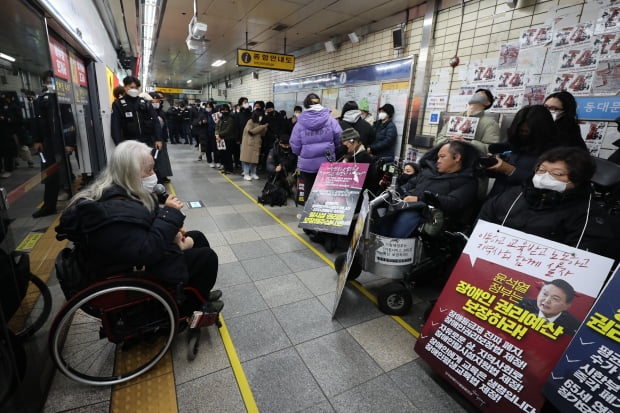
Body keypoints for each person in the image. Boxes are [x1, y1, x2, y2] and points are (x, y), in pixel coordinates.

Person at [55, 140, 223, 312]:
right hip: (133, 271)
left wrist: (172, 229)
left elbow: (140, 222)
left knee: (198, 237)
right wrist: (169, 216)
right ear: (130, 174)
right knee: (207, 258)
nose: (153, 174)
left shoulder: (117, 191)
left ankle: (198, 293)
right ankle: (189, 307)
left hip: (129, 257)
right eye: (148, 170)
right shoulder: (112, 214)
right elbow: (146, 252)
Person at [479, 147, 600, 250]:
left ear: (578, 180)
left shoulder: (588, 216)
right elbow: (481, 226)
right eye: (541, 170)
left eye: (557, 174)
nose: (545, 177)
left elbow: (580, 258)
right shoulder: (513, 196)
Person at [380, 141, 479, 238]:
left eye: (442, 157)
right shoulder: (428, 172)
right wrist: (396, 191)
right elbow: (410, 184)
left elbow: (454, 203)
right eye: (438, 157)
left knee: (408, 216)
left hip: (431, 219)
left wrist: (421, 199)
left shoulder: (468, 181)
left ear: (457, 157)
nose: (438, 160)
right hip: (405, 207)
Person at [483, 105, 558, 198]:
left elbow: (549, 184)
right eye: (520, 131)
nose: (523, 134)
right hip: (496, 198)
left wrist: (510, 170)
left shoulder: (554, 152)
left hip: (523, 203)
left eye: (526, 132)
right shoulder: (512, 141)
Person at [32, 71, 76, 218]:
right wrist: (37, 140)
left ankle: (66, 197)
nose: (50, 83)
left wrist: (69, 142)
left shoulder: (62, 100)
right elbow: (36, 122)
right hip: (47, 143)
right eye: (47, 81)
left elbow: (68, 123)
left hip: (60, 141)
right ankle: (50, 204)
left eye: (52, 80)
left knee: (62, 169)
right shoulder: (39, 101)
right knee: (49, 171)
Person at [290, 93, 342, 196]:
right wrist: (332, 150)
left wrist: (305, 153)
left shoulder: (300, 123)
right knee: (324, 193)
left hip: (307, 165)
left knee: (308, 191)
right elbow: (339, 139)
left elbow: (295, 146)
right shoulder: (330, 120)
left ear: (306, 104)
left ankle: (309, 211)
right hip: (327, 162)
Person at [435, 88, 500, 155]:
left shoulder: (490, 123)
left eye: (481, 94)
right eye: (475, 93)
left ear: (487, 103)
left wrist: (467, 142)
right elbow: (438, 140)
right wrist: (449, 140)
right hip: (448, 159)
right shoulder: (455, 118)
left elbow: (491, 148)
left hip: (471, 162)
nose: (476, 95)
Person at [110, 76, 162, 150]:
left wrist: (158, 139)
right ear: (125, 87)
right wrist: (118, 144)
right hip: (129, 143)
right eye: (131, 87)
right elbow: (115, 126)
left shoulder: (145, 103)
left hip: (147, 141)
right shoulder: (118, 104)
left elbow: (156, 121)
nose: (134, 90)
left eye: (136, 88)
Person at [240, 109, 268, 180]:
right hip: (248, 144)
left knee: (254, 160)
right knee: (247, 160)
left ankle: (253, 173)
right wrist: (262, 127)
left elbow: (262, 134)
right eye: (260, 115)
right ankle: (246, 173)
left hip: (256, 144)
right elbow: (251, 132)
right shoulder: (250, 121)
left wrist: (265, 129)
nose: (261, 117)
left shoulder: (259, 123)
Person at [215, 104, 237, 174]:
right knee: (222, 154)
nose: (224, 111)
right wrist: (217, 134)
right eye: (222, 110)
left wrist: (220, 135)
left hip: (228, 139)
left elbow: (229, 130)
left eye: (226, 110)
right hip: (220, 140)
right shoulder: (220, 119)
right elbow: (217, 127)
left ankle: (229, 169)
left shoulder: (230, 119)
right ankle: (225, 167)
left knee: (228, 155)